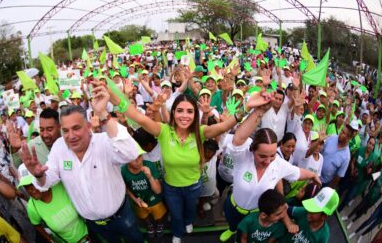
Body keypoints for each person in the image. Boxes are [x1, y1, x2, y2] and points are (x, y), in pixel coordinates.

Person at [109, 83, 244, 242]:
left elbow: (223, 126)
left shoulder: (200, 132)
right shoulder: (163, 131)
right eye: (180, 110)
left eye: (190, 111)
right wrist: (114, 96)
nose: (184, 116)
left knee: (190, 209)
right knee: (176, 213)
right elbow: (137, 117)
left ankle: (188, 222)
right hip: (171, 187)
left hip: (194, 185)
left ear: (195, 115)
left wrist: (245, 109)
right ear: (173, 112)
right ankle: (178, 232)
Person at [21, 82, 144, 243]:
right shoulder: (59, 148)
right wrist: (39, 176)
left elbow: (130, 153)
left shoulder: (104, 141)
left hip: (122, 216)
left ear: (87, 126)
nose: (71, 136)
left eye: (76, 128)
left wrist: (103, 114)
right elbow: (48, 179)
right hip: (94, 225)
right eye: (65, 130)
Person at [221, 91, 322, 242]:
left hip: (255, 215)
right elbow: (238, 138)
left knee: (245, 237)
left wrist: (313, 175)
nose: (268, 161)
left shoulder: (278, 163)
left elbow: (297, 172)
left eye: (272, 155)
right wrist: (259, 111)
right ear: (252, 149)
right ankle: (231, 229)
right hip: (233, 206)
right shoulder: (243, 155)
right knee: (233, 224)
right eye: (262, 156)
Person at [17, 164, 89, 242]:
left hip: (91, 233)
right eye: (27, 187)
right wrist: (50, 240)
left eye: (33, 184)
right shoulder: (32, 207)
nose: (32, 190)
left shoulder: (59, 185)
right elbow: (36, 225)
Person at [121, 145, 166, 239]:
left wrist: (150, 177)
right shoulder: (123, 171)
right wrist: (135, 199)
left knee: (159, 216)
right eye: (134, 159)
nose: (139, 161)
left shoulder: (149, 165)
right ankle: (149, 226)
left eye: (140, 156)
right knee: (144, 216)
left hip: (155, 201)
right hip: (139, 202)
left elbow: (158, 191)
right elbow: (125, 187)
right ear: (127, 160)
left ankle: (160, 225)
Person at [321, 121, 357, 188]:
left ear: (349, 138)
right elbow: (320, 151)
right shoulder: (332, 137)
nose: (340, 133)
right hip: (315, 173)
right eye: (342, 130)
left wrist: (329, 190)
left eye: (343, 133)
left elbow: (337, 177)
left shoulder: (346, 157)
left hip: (324, 183)